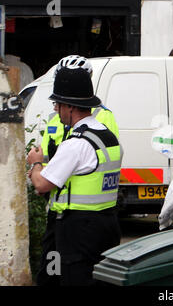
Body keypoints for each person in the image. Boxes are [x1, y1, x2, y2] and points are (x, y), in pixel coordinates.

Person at [27, 67, 123, 285]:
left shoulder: (76, 144)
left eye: (57, 104)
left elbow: (42, 184)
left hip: (76, 230)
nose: (56, 110)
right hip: (107, 224)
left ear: (69, 106)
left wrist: (36, 164)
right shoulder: (108, 137)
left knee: (65, 279)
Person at [42, 55, 119, 165]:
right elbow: (44, 154)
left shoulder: (104, 115)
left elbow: (110, 152)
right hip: (55, 177)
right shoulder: (53, 117)